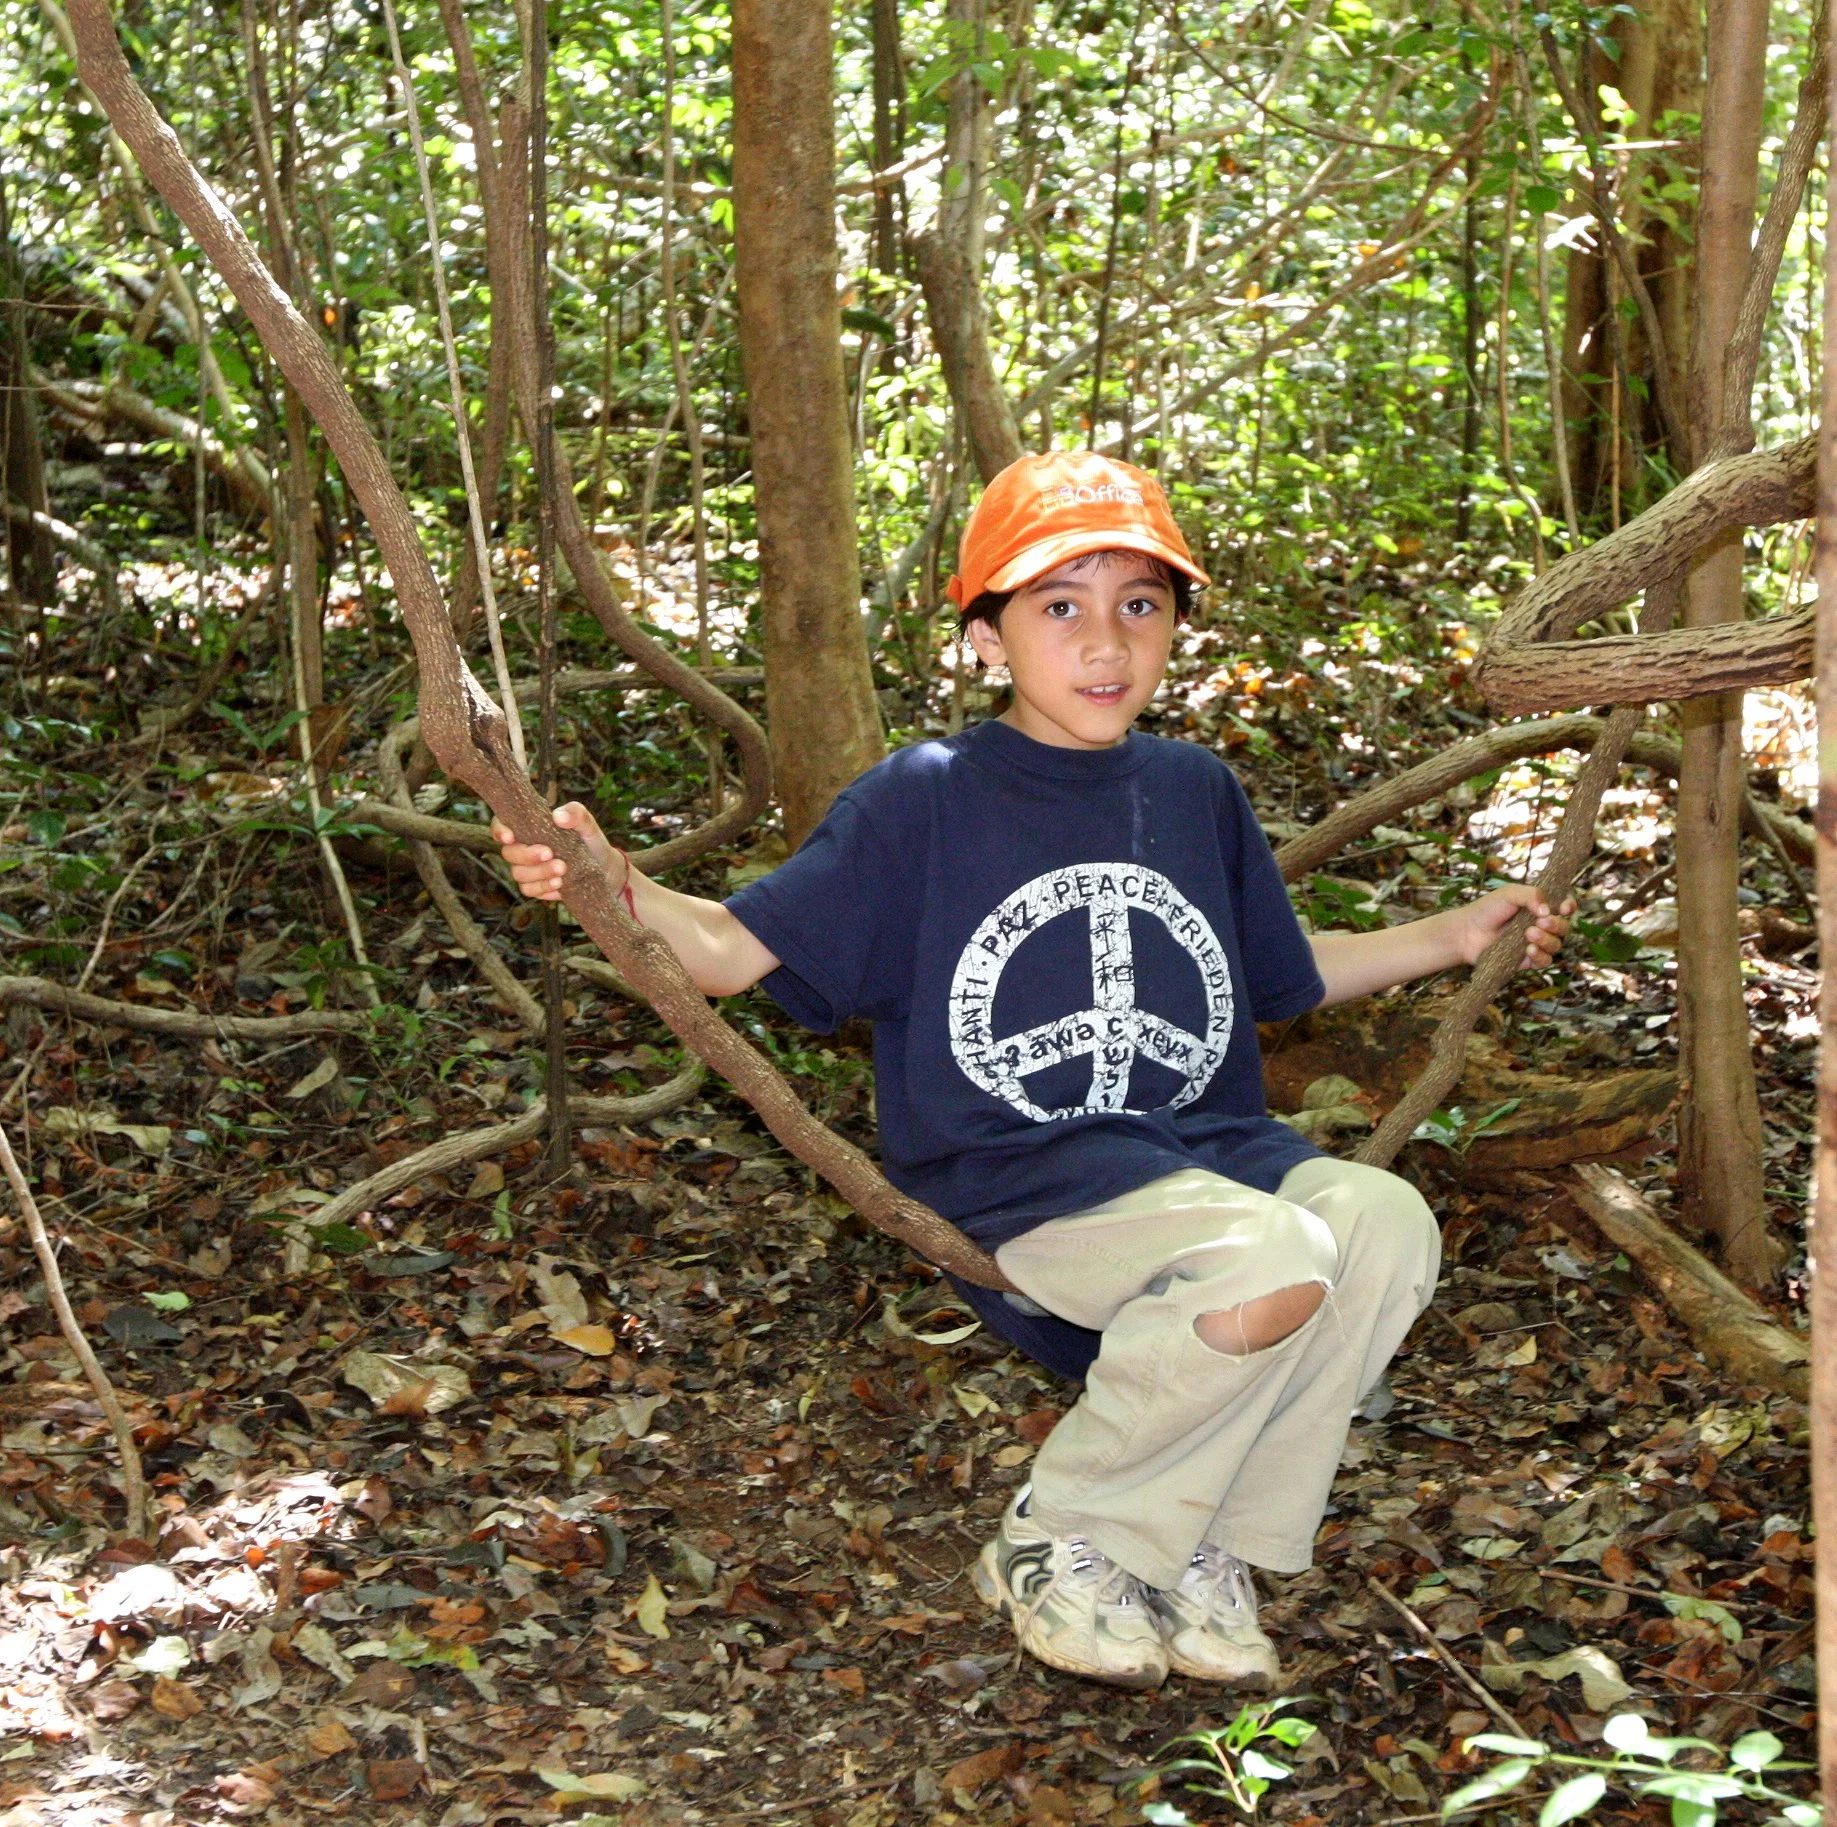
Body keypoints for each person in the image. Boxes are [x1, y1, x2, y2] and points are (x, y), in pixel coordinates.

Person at [492, 451, 1573, 1691]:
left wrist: (1451, 937)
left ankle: (1199, 1543)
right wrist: (609, 883)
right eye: (1059, 604)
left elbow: (1278, 975)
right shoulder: (926, 800)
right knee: (1272, 1258)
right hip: (1020, 1173)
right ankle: (1064, 1539)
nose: (1104, 641)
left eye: (1139, 604)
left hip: (1201, 1151)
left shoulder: (1191, 789)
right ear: (986, 637)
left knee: (1380, 1219)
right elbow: (732, 952)